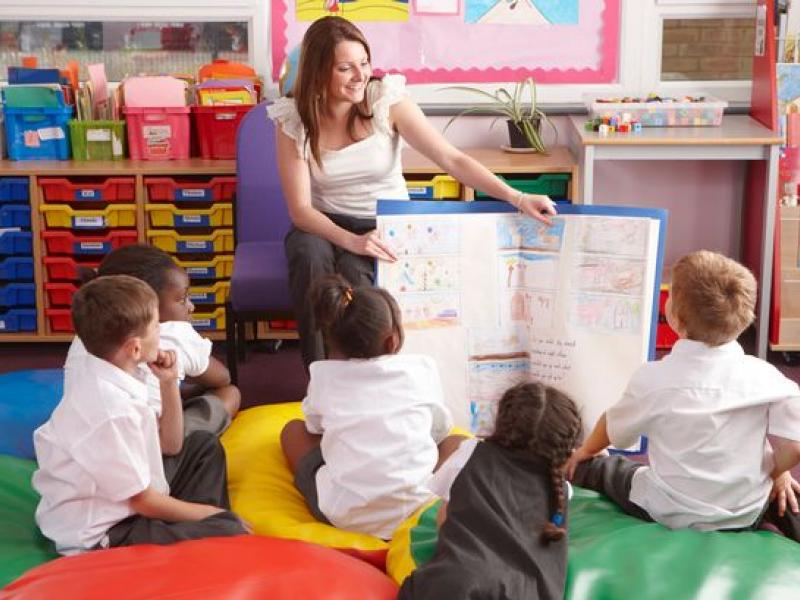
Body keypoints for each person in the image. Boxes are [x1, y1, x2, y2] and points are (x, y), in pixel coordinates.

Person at [269, 15, 558, 368]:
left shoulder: (386, 101)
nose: (360, 76)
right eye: (346, 68)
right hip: (321, 223)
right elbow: (300, 210)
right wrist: (352, 240)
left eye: (364, 63)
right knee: (309, 257)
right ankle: (318, 375)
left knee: (357, 277)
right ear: (318, 72)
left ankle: (369, 374)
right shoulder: (293, 119)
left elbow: (451, 158)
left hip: (381, 220)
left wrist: (516, 197)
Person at [566, 250, 800, 540]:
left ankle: (573, 466)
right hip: (745, 511)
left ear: (673, 316)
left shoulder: (653, 378)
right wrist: (779, 473)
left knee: (605, 468)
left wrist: (587, 451)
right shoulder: (769, 379)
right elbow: (793, 448)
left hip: (671, 510)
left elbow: (612, 427)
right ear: (744, 320)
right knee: (785, 496)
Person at [32, 275, 247, 554]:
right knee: (227, 528)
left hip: (131, 497)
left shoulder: (118, 374)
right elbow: (142, 501)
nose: (162, 331)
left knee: (204, 446)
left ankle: (195, 533)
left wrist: (168, 382)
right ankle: (199, 542)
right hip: (106, 531)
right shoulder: (111, 410)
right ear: (134, 348)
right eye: (156, 326)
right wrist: (211, 516)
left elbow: (172, 445)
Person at [280, 274, 464, 539]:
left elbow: (314, 426)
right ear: (392, 341)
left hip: (344, 514)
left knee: (293, 431)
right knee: (456, 441)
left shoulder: (324, 376)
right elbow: (440, 429)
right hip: (417, 507)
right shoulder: (421, 370)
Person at [397, 381, 583, 600]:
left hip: (457, 586)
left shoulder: (471, 452)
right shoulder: (560, 489)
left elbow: (443, 518)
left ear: (502, 422)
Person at [66, 244, 239, 437]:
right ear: (148, 302)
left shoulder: (89, 329)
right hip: (151, 445)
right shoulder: (176, 332)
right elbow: (222, 377)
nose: (191, 306)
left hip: (86, 434)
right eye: (182, 299)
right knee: (230, 394)